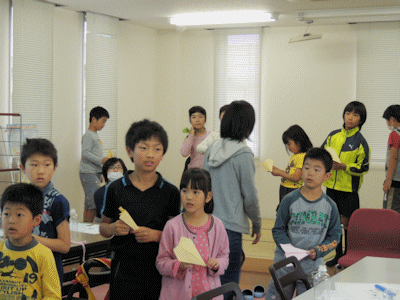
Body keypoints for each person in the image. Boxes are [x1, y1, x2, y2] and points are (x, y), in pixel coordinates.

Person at [99, 119, 181, 300]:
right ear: (130, 151)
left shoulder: (171, 192)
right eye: (143, 148)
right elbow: (103, 227)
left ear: (162, 154)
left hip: (158, 268)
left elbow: (179, 236)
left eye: (157, 149)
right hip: (124, 268)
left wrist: (157, 235)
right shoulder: (115, 188)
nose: (150, 155)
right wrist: (112, 229)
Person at [203, 100, 262, 300]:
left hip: (207, 224)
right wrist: (257, 223)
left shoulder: (212, 148)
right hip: (230, 227)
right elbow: (250, 196)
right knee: (228, 283)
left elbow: (201, 186)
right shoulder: (243, 153)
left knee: (208, 280)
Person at [265, 148, 342, 300]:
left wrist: (319, 250)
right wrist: (289, 249)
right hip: (285, 265)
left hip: (312, 269)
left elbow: (335, 237)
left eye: (316, 169)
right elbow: (278, 229)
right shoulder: (289, 199)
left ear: (327, 175)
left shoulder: (330, 206)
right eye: (306, 168)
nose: (310, 173)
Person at [156, 168, 230, 300]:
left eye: (195, 192)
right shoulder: (172, 226)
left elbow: (224, 256)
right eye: (185, 191)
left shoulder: (218, 226)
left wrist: (217, 264)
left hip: (210, 294)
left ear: (208, 196)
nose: (189, 197)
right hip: (177, 295)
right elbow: (161, 263)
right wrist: (178, 265)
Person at [322, 101, 370, 267]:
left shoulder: (361, 142)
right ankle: (337, 254)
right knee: (334, 223)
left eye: (355, 115)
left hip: (349, 190)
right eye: (348, 113)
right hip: (331, 187)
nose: (350, 117)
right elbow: (322, 154)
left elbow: (364, 167)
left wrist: (344, 166)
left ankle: (350, 255)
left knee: (349, 224)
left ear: (361, 120)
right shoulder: (333, 136)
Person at [20, 138, 70, 286]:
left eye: (47, 165)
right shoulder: (18, 199)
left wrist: (29, 238)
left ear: (55, 167)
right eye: (34, 165)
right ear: (23, 168)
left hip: (48, 272)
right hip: (22, 270)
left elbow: (64, 245)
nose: (40, 171)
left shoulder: (58, 201)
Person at [0, 183, 61, 299]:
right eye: (6, 214)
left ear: (36, 220)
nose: (11, 221)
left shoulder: (44, 254)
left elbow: (53, 296)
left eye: (19, 215)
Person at [270, 125, 313, 211]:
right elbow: (290, 173)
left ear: (299, 142)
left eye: (289, 144)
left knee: (289, 212)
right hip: (285, 187)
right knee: (283, 211)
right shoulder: (295, 156)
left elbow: (296, 177)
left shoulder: (301, 157)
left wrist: (279, 173)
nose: (288, 147)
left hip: (292, 190)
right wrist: (277, 170)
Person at [80, 106, 110, 222]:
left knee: (89, 203)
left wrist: (100, 171)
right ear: (93, 119)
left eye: (105, 122)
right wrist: (101, 160)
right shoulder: (88, 135)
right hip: (88, 172)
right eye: (103, 121)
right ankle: (88, 229)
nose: (103, 124)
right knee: (93, 204)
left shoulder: (94, 135)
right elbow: (85, 153)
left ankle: (85, 227)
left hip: (93, 172)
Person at [94, 157, 128, 221]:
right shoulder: (99, 193)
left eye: (118, 167)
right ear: (105, 172)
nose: (115, 170)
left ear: (124, 171)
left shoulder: (129, 190)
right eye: (111, 167)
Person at [382, 104, 400, 213]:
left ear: (392, 119)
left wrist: (388, 180)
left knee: (390, 213)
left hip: (395, 181)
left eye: (387, 121)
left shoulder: (395, 135)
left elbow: (393, 158)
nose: (388, 124)